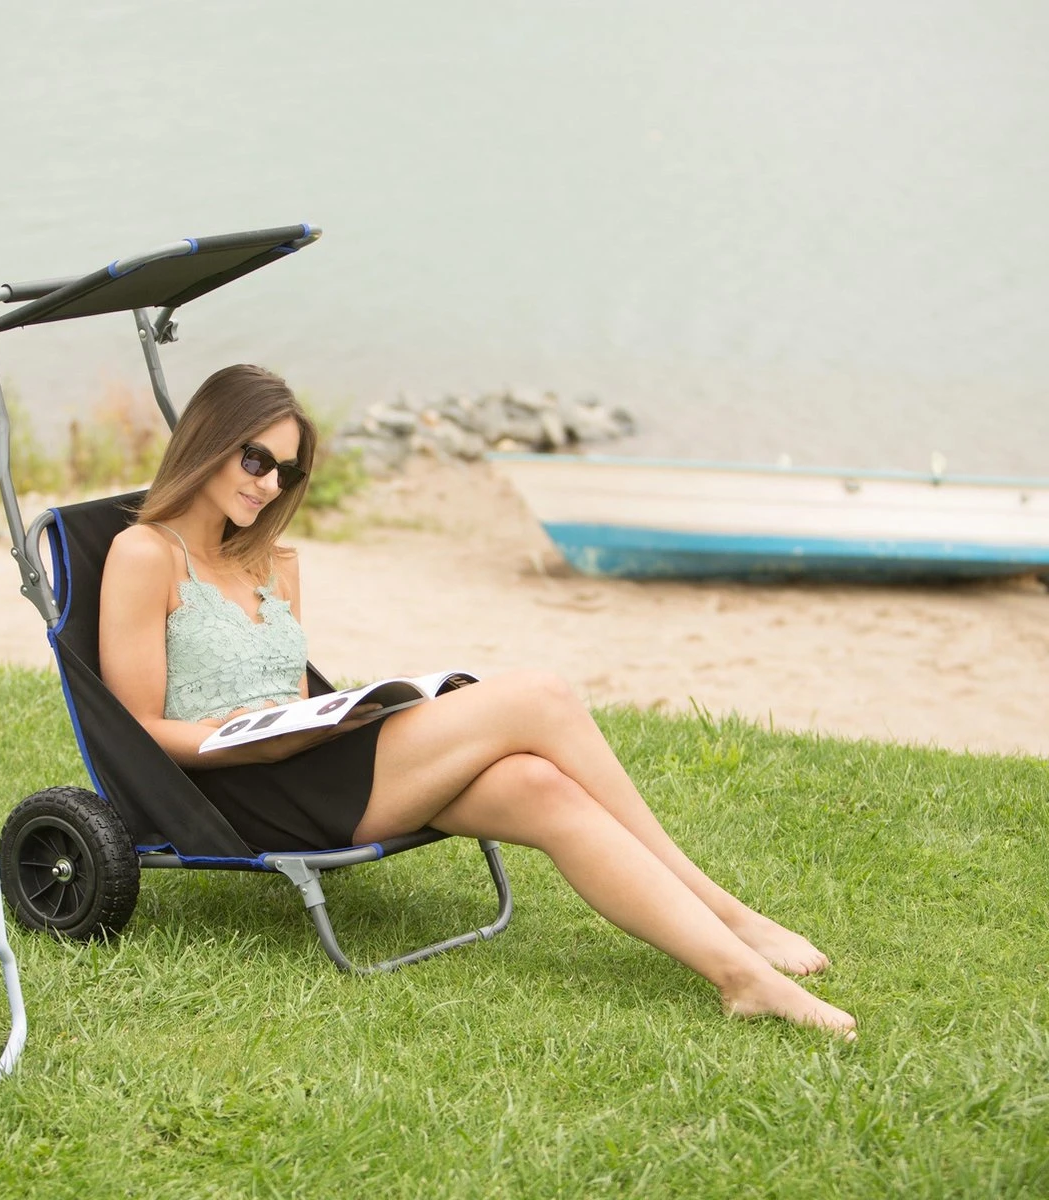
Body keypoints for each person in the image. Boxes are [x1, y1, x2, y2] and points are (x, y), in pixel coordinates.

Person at [99, 364, 857, 1039]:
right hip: (238, 790)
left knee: (540, 787)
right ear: (208, 440)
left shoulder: (274, 563)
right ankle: (727, 909)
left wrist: (313, 721)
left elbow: (288, 698)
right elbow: (133, 733)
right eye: (255, 458)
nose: (266, 485)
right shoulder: (144, 554)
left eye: (285, 473)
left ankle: (740, 978)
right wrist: (236, 741)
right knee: (541, 696)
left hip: (304, 759)